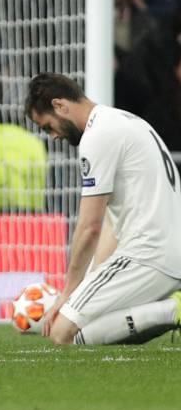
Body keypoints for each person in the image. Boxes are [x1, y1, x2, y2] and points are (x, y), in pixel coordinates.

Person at [24, 73, 181, 346]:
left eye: (48, 126)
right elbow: (111, 222)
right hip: (166, 254)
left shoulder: (97, 136)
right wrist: (91, 282)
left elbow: (90, 227)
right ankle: (168, 308)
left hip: (147, 255)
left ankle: (172, 310)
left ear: (60, 105)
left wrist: (68, 292)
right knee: (89, 327)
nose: (53, 136)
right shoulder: (124, 121)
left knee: (61, 333)